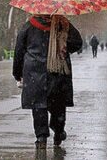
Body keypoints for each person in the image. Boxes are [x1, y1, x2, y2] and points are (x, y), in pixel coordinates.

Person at [13, 14, 83, 149]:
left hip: (34, 72)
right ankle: (58, 131)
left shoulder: (28, 26)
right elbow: (77, 43)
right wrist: (62, 47)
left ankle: (41, 137)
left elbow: (19, 51)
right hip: (57, 71)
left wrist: (17, 73)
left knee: (38, 105)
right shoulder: (63, 24)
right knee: (58, 105)